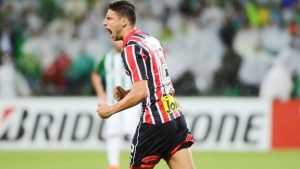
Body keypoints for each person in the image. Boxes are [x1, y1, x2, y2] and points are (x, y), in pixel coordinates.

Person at [97, 1, 196, 169]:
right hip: (174, 117)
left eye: (109, 18)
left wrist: (111, 110)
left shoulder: (130, 48)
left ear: (123, 22)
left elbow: (142, 92)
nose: (104, 23)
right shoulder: (150, 40)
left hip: (154, 124)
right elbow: (155, 82)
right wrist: (129, 92)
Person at [91, 40, 140, 169]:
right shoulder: (106, 57)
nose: (118, 43)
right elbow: (95, 74)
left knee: (133, 133)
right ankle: (113, 165)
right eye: (115, 41)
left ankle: (136, 163)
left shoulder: (132, 56)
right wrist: (101, 92)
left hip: (131, 102)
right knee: (112, 133)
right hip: (112, 103)